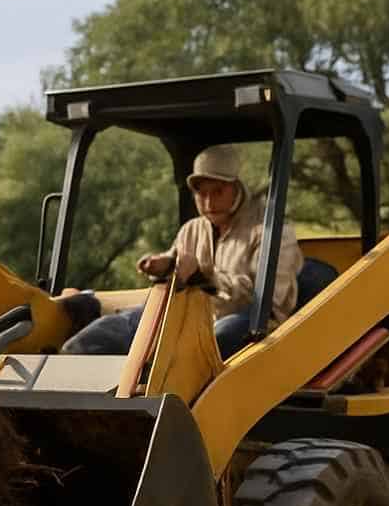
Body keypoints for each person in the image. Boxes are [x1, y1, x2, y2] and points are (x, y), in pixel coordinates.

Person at [60, 144, 303, 359]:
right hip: (189, 318)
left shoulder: (272, 232)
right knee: (99, 336)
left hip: (252, 328)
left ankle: (153, 390)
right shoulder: (192, 230)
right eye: (201, 194)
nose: (208, 203)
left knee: (200, 347)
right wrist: (164, 266)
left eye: (217, 192)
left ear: (235, 187)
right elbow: (179, 268)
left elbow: (263, 301)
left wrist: (201, 276)